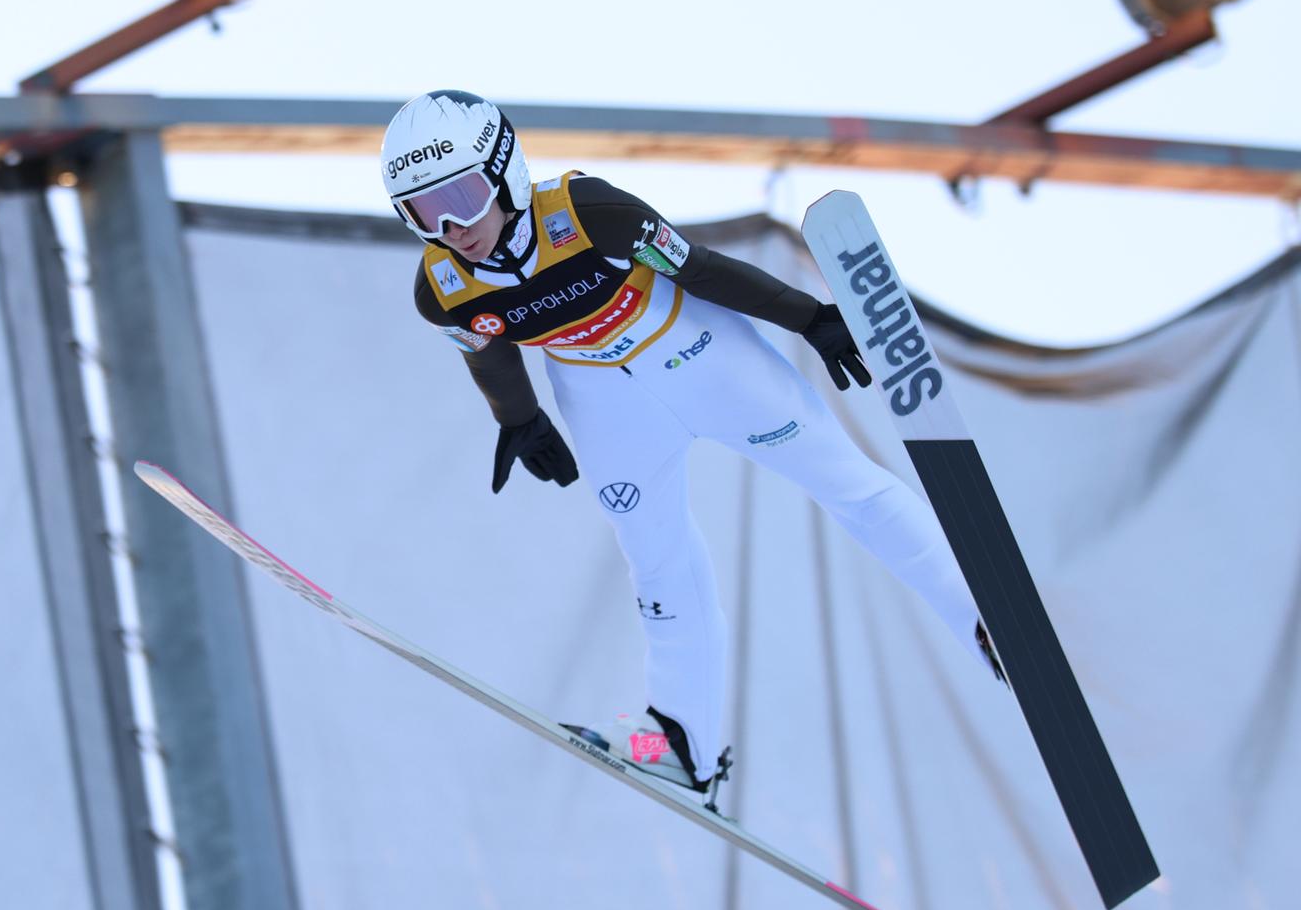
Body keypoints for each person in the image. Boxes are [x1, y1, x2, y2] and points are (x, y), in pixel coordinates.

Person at [382, 89, 1005, 797]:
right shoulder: (442, 288)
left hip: (704, 358)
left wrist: (808, 318)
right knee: (656, 561)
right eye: (424, 213)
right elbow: (487, 352)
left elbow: (701, 268)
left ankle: (986, 619)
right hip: (605, 404)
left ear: (505, 172)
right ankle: (680, 741)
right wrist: (518, 418)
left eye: (462, 198)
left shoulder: (590, 213)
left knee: (846, 484)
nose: (452, 228)